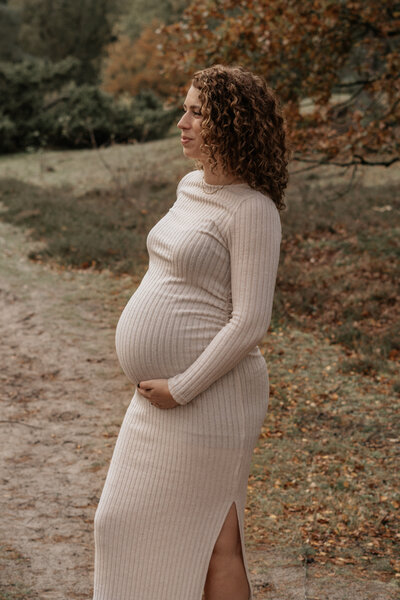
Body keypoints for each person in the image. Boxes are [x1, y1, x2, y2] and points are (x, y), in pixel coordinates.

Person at [93, 64, 288, 600]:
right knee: (117, 524)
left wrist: (183, 387)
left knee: (214, 544)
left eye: (196, 112)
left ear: (231, 122)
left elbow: (251, 320)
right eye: (185, 108)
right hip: (160, 401)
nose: (182, 122)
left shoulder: (253, 210)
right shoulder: (191, 186)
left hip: (214, 398)